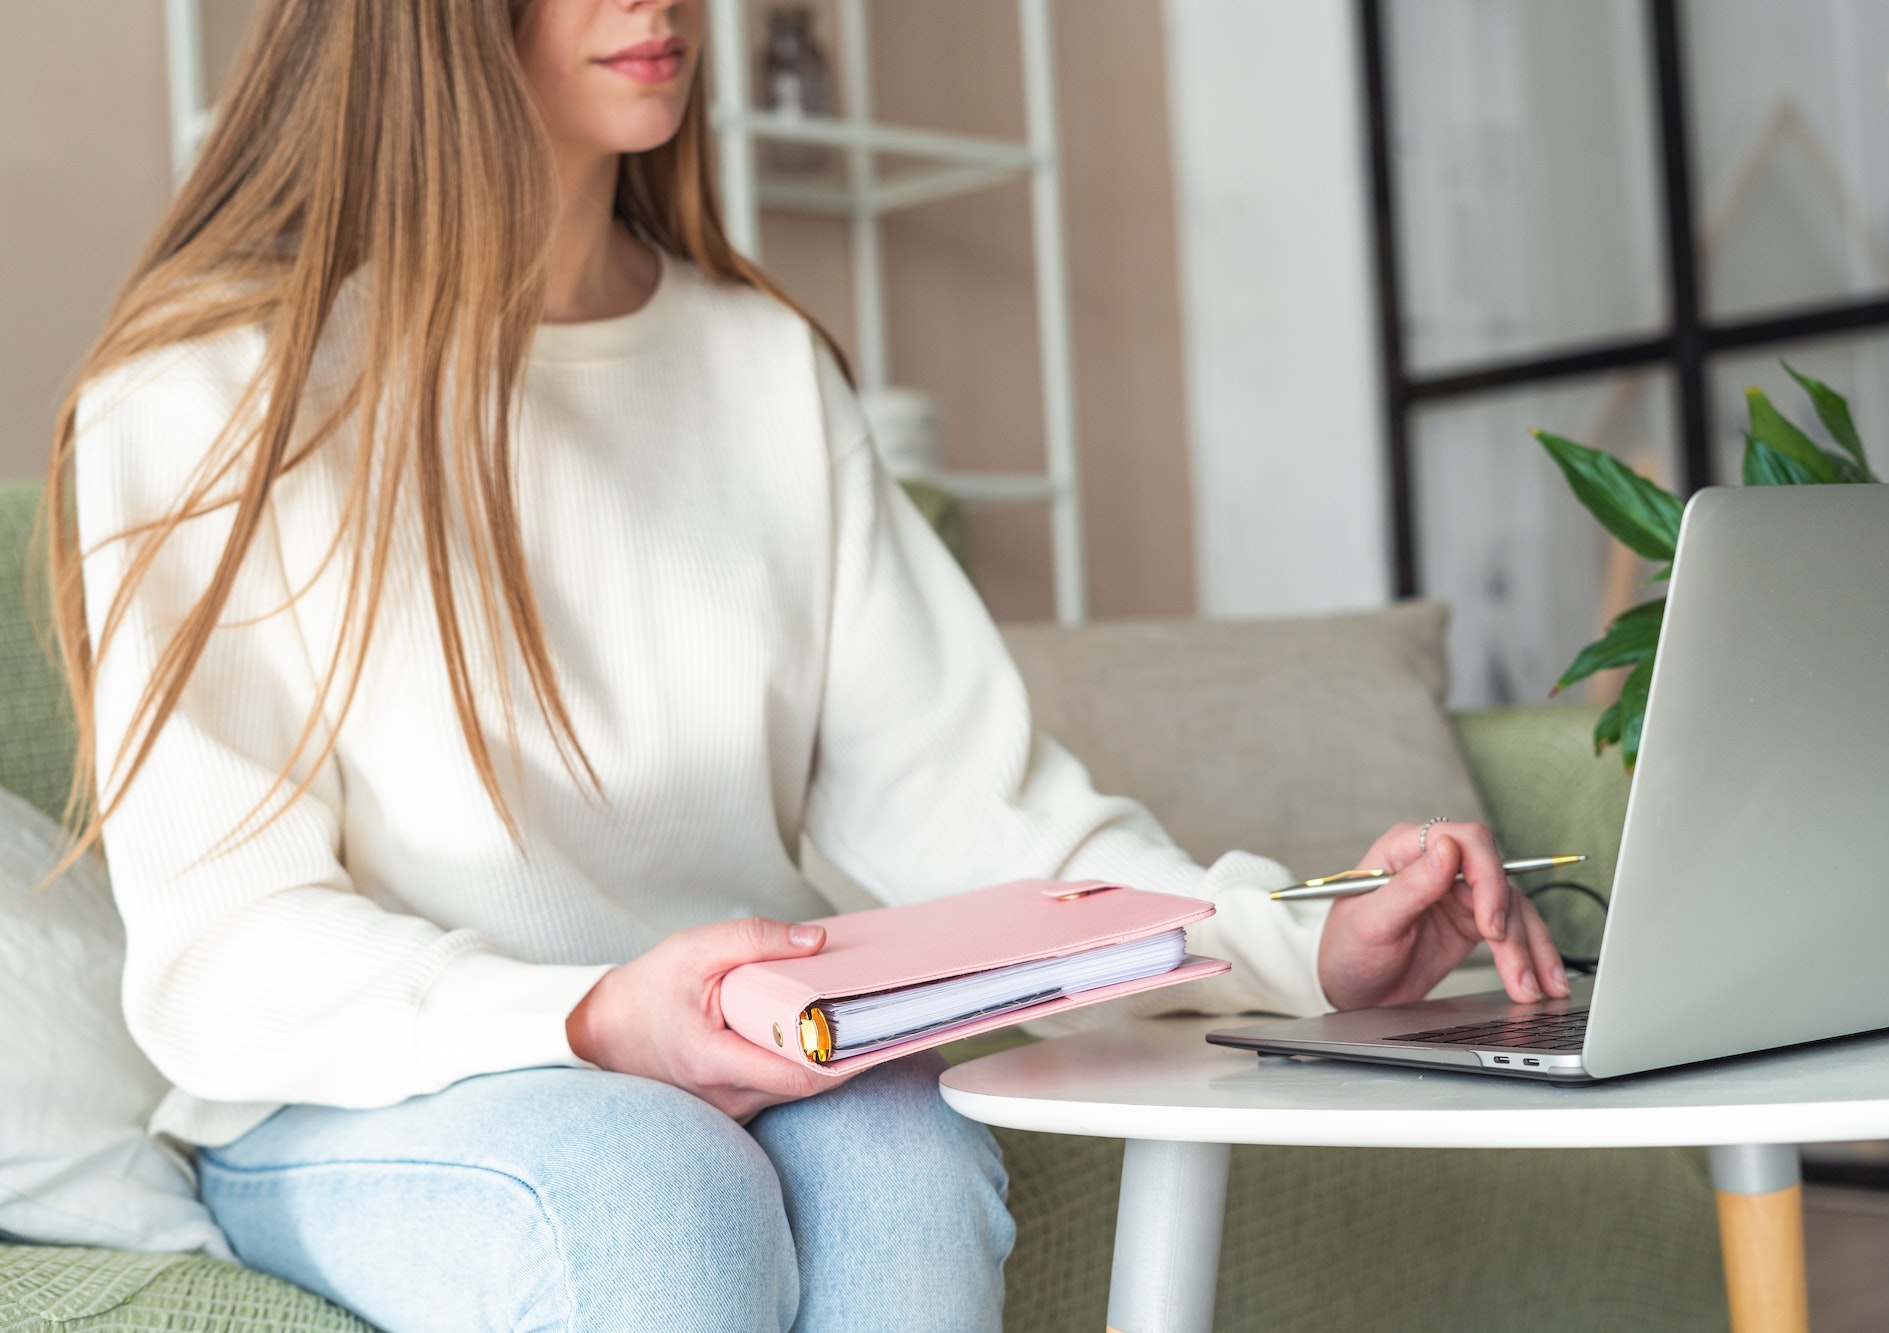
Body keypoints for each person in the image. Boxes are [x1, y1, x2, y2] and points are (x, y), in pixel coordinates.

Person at [49, 1, 1569, 1329]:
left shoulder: (764, 370)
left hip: (721, 1062)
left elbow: (979, 818)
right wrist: (586, 1020)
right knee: (647, 1181)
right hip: (360, 1093)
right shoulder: (205, 395)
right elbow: (226, 949)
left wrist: (1300, 944)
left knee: (904, 1145)